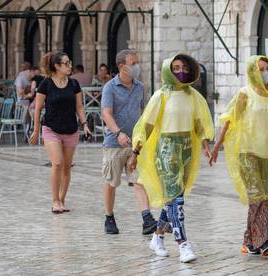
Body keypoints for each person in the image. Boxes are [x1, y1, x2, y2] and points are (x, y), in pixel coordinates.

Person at [210, 55, 268, 257]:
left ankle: (248, 240)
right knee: (257, 195)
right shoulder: (244, 94)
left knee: (264, 198)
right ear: (252, 71)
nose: (264, 72)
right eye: (260, 69)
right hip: (247, 153)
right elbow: (229, 121)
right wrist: (217, 145)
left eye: (267, 68)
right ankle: (266, 241)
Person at [129, 54, 214, 263]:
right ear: (168, 71)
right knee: (177, 200)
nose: (181, 71)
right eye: (176, 68)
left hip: (186, 150)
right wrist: (135, 152)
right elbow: (146, 125)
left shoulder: (193, 96)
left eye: (184, 67)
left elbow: (199, 124)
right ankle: (183, 244)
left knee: (172, 201)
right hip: (166, 151)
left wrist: (206, 147)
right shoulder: (161, 96)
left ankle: (157, 238)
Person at [101, 49, 157, 235]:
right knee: (111, 182)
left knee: (139, 180)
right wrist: (118, 133)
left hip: (135, 144)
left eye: (137, 62)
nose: (136, 66)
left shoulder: (140, 87)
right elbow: (106, 113)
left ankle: (147, 218)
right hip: (114, 143)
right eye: (133, 63)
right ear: (121, 66)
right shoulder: (110, 87)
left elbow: (143, 113)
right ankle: (109, 217)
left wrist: (144, 138)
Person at [29, 51, 91, 214]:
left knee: (66, 167)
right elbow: (37, 108)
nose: (70, 66)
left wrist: (85, 124)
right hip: (51, 129)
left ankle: (62, 200)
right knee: (57, 163)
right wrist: (36, 130)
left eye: (70, 62)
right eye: (66, 63)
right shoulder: (46, 84)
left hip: (71, 129)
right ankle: (55, 200)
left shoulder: (74, 84)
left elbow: (79, 107)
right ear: (57, 66)